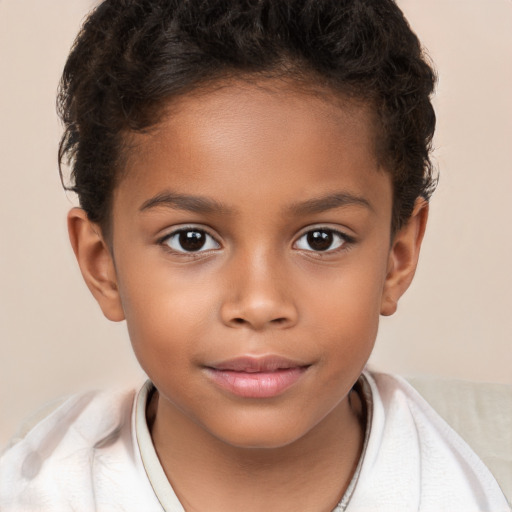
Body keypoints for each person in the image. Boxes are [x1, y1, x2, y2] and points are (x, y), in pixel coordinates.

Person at [0, 0, 509, 510]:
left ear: (397, 257)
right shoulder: (35, 495)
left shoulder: (480, 481)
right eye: (191, 239)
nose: (260, 302)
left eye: (320, 239)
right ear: (102, 264)